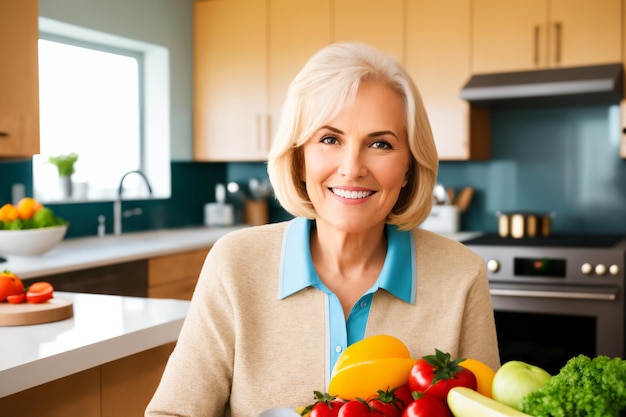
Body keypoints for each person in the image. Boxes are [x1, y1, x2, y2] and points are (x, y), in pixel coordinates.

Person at [145, 41, 500, 417]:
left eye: (380, 144)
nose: (352, 167)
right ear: (299, 158)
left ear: (409, 165)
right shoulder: (236, 263)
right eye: (329, 139)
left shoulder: (463, 275)